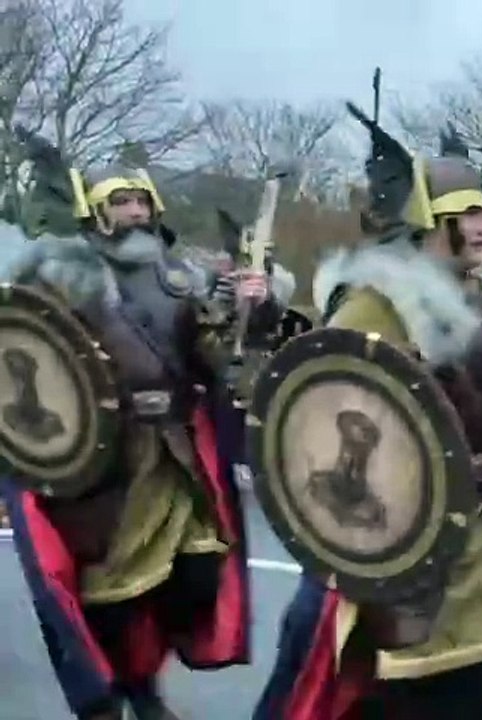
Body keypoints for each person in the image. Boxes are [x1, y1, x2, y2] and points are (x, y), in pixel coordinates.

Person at [254, 104, 482, 720]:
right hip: (408, 538)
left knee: (470, 688)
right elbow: (334, 405)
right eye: (466, 214)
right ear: (427, 222)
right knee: (399, 692)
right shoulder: (377, 303)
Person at [0, 158, 286, 719]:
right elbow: (25, 362)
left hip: (174, 452)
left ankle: (142, 679)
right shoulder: (60, 278)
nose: (133, 213)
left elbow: (218, 357)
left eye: (140, 201)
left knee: (197, 569)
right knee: (112, 594)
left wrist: (256, 307)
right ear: (97, 213)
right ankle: (126, 692)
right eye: (120, 203)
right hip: (104, 459)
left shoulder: (178, 278)